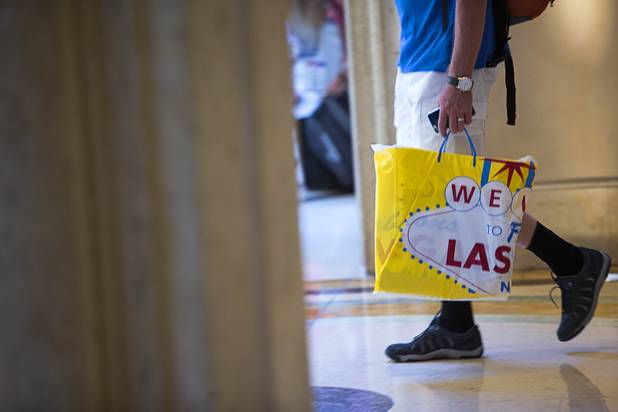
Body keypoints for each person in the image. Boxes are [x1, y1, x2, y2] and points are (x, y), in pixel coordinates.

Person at [385, 0, 612, 362]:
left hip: (444, 68)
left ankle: (462, 325)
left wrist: (459, 81)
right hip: (423, 61)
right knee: (455, 198)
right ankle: (461, 322)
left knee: (452, 198)